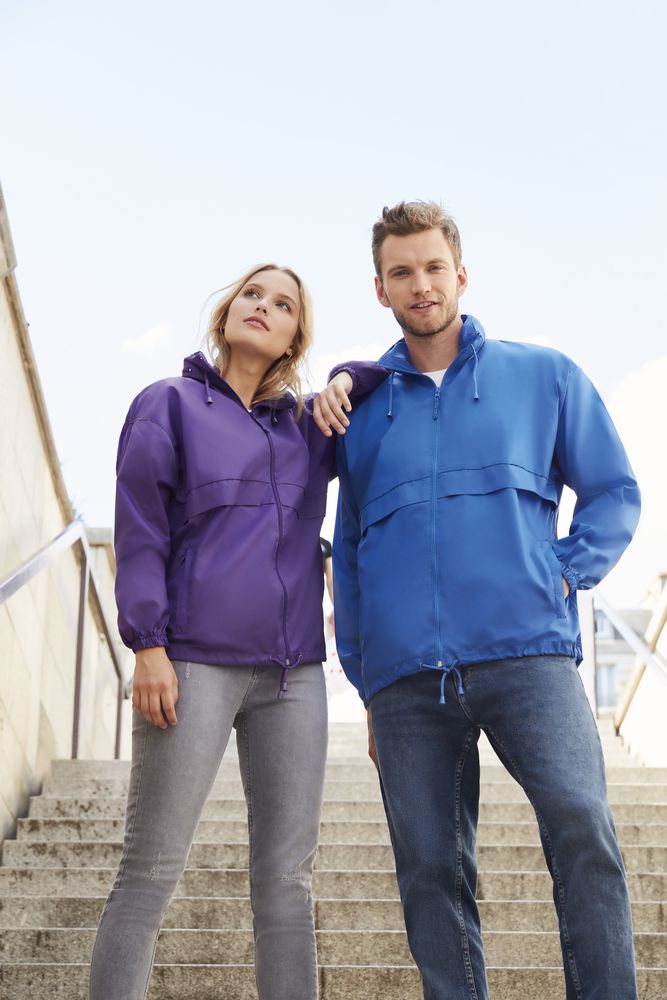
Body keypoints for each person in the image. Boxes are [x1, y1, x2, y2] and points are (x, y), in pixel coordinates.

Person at [331, 201, 641, 1000]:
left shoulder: (542, 376)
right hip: (406, 681)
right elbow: (351, 555)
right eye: (401, 272)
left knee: (582, 826)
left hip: (527, 653)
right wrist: (366, 680)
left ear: (460, 274)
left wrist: (562, 570)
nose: (420, 284)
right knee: (429, 869)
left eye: (433, 267)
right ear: (380, 289)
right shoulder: (361, 414)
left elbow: (612, 491)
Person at [88, 263, 385, 1000]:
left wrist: (341, 379)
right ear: (225, 312)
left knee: (287, 883)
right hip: (192, 664)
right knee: (150, 870)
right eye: (252, 293)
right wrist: (147, 645)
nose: (263, 306)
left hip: (293, 677)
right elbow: (141, 532)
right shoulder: (167, 404)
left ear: (294, 338)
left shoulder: (308, 429)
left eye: (283, 304)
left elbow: (386, 374)